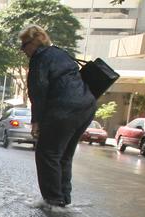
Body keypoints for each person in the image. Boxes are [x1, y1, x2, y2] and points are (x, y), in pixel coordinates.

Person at [19, 25, 96, 207]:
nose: (23, 50)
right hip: (86, 106)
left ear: (34, 43)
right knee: (64, 155)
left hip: (64, 109)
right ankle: (63, 197)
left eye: (24, 45)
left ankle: (53, 199)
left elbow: (38, 91)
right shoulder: (61, 53)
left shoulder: (40, 58)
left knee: (48, 153)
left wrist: (36, 121)